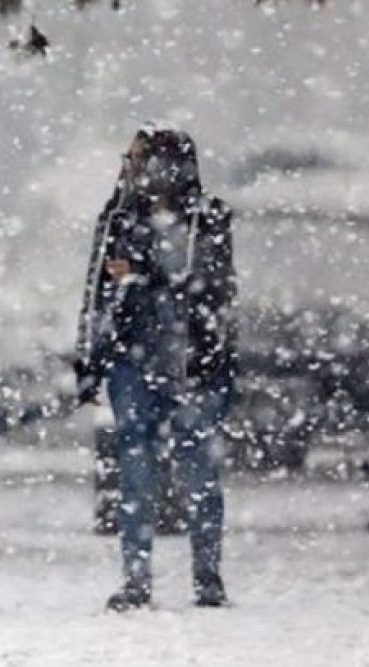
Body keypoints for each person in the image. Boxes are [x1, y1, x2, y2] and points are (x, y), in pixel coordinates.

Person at [75, 124, 238, 611]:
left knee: (197, 471)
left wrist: (141, 277)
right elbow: (100, 287)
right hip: (134, 360)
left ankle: (206, 577)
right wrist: (90, 357)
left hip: (194, 362)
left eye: (137, 159)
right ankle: (138, 579)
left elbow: (206, 284)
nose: (129, 169)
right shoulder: (119, 218)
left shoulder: (207, 218)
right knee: (136, 468)